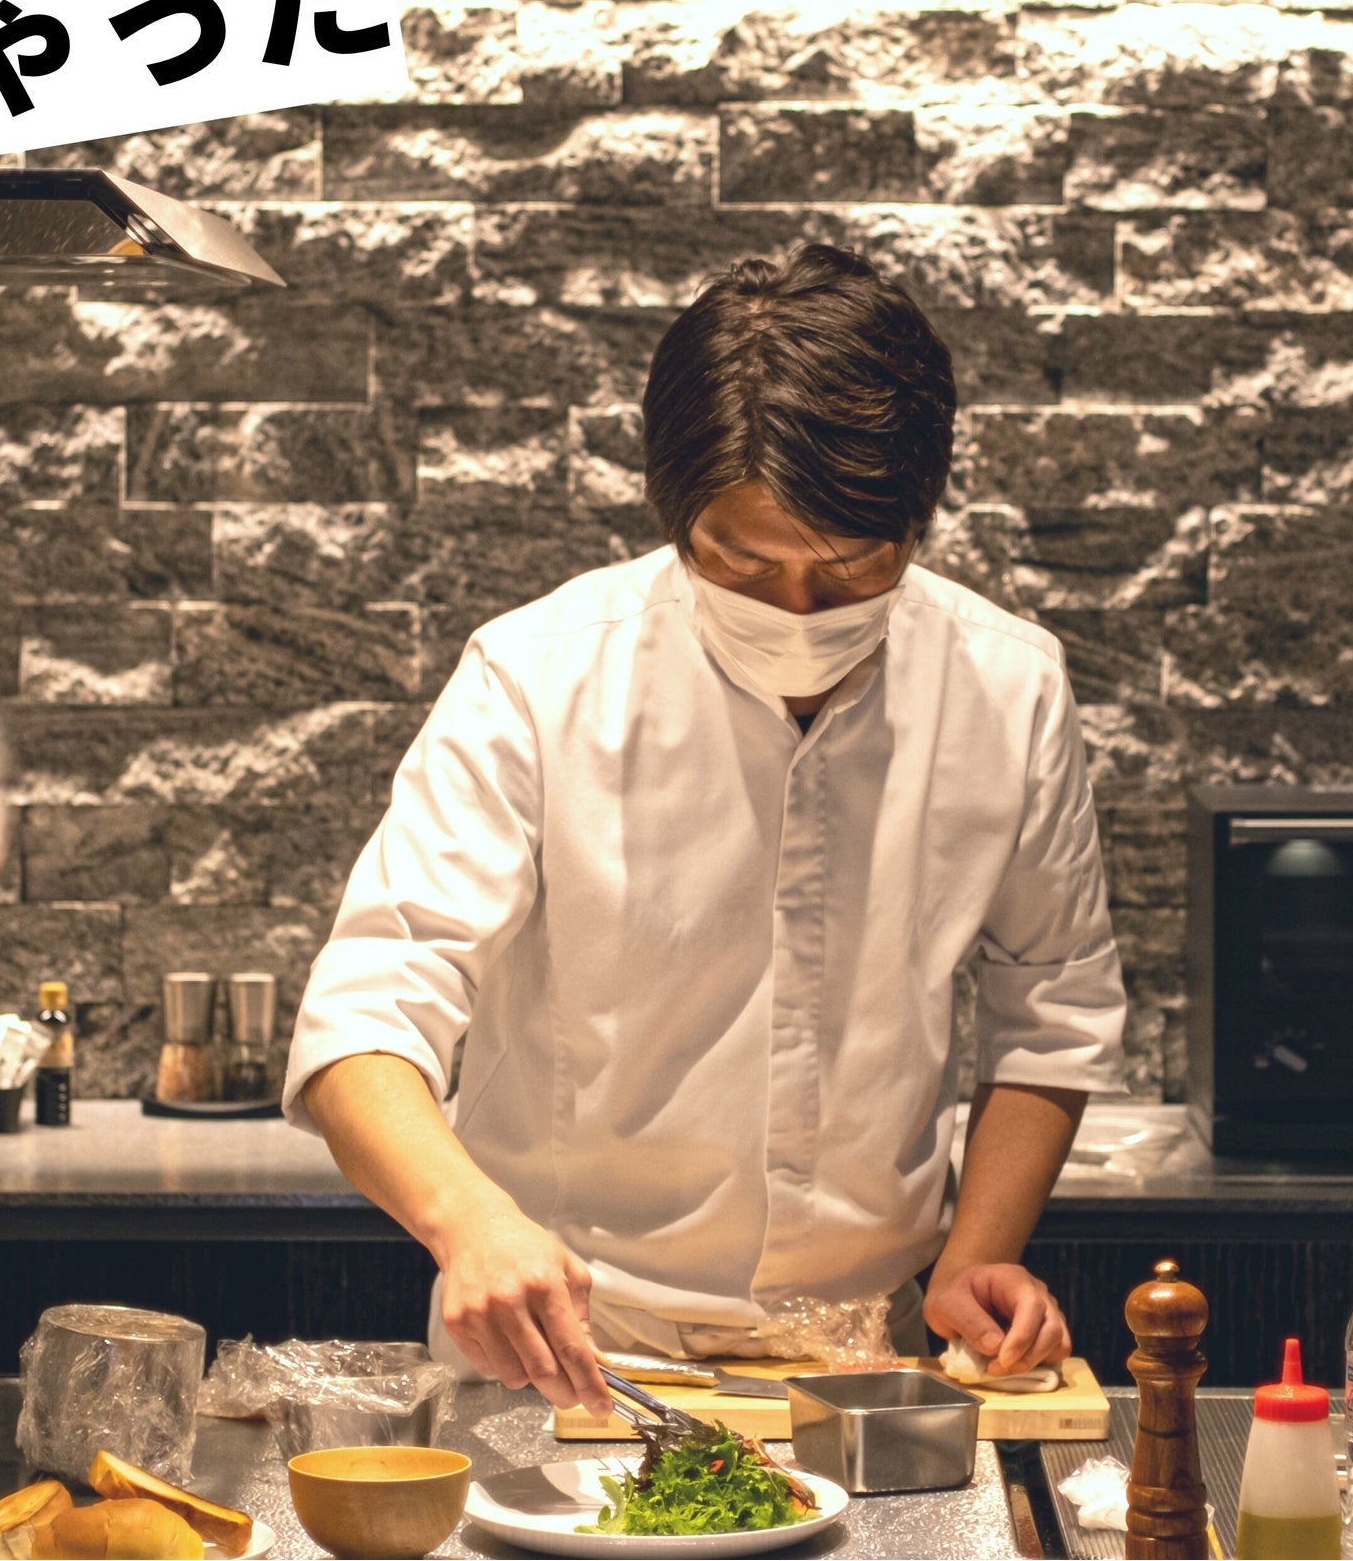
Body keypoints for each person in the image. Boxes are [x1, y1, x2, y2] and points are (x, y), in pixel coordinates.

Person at [284, 243, 1130, 1411]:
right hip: (567, 1349)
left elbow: (1052, 1009)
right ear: (676, 516)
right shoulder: (537, 678)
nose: (797, 609)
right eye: (742, 562)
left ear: (919, 523)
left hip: (866, 1359)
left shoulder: (1007, 686)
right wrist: (470, 1221)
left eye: (849, 569)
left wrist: (975, 1256)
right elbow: (367, 1012)